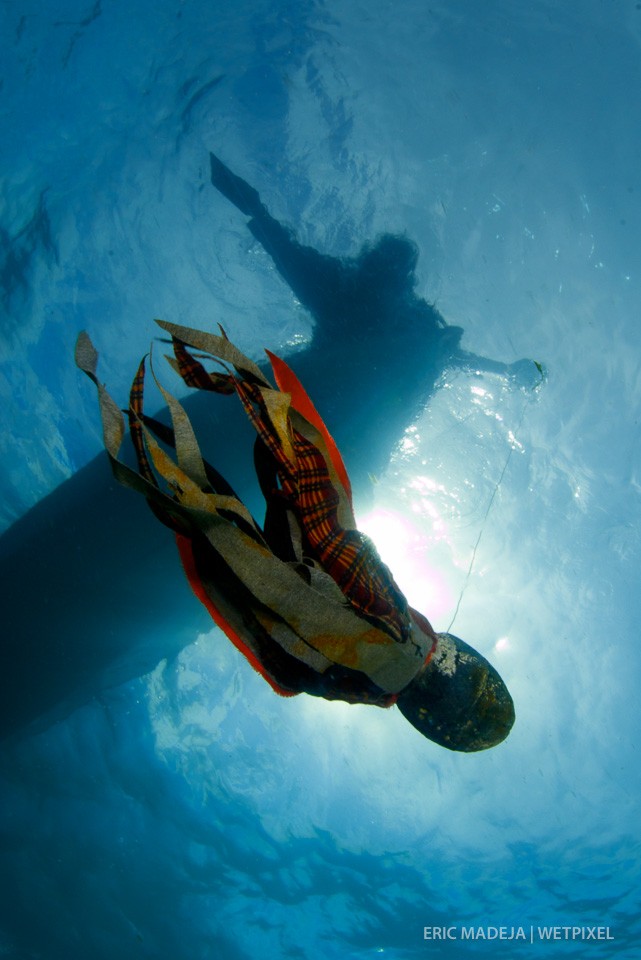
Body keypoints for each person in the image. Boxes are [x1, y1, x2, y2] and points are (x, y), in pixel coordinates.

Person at [75, 322, 515, 751]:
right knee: (212, 498)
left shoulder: (397, 645)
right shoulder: (365, 685)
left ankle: (150, 419)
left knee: (252, 478)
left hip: (284, 568)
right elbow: (299, 637)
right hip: (270, 587)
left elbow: (335, 549)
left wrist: (295, 491)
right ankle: (149, 431)